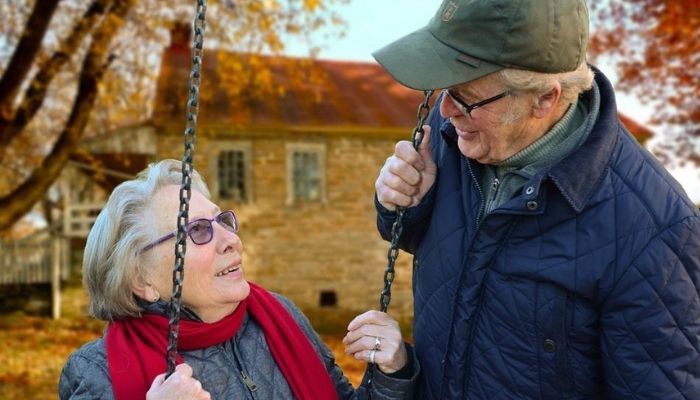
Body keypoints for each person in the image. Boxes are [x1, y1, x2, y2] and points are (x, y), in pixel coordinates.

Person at [372, 0, 700, 398]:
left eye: (466, 97)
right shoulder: (454, 135)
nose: (446, 110)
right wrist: (404, 205)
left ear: (545, 98)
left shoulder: (655, 231)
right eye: (444, 89)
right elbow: (435, 245)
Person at [59, 159, 418, 399]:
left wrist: (392, 371)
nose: (231, 240)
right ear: (142, 280)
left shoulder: (279, 316)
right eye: (197, 231)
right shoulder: (95, 374)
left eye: (223, 221)